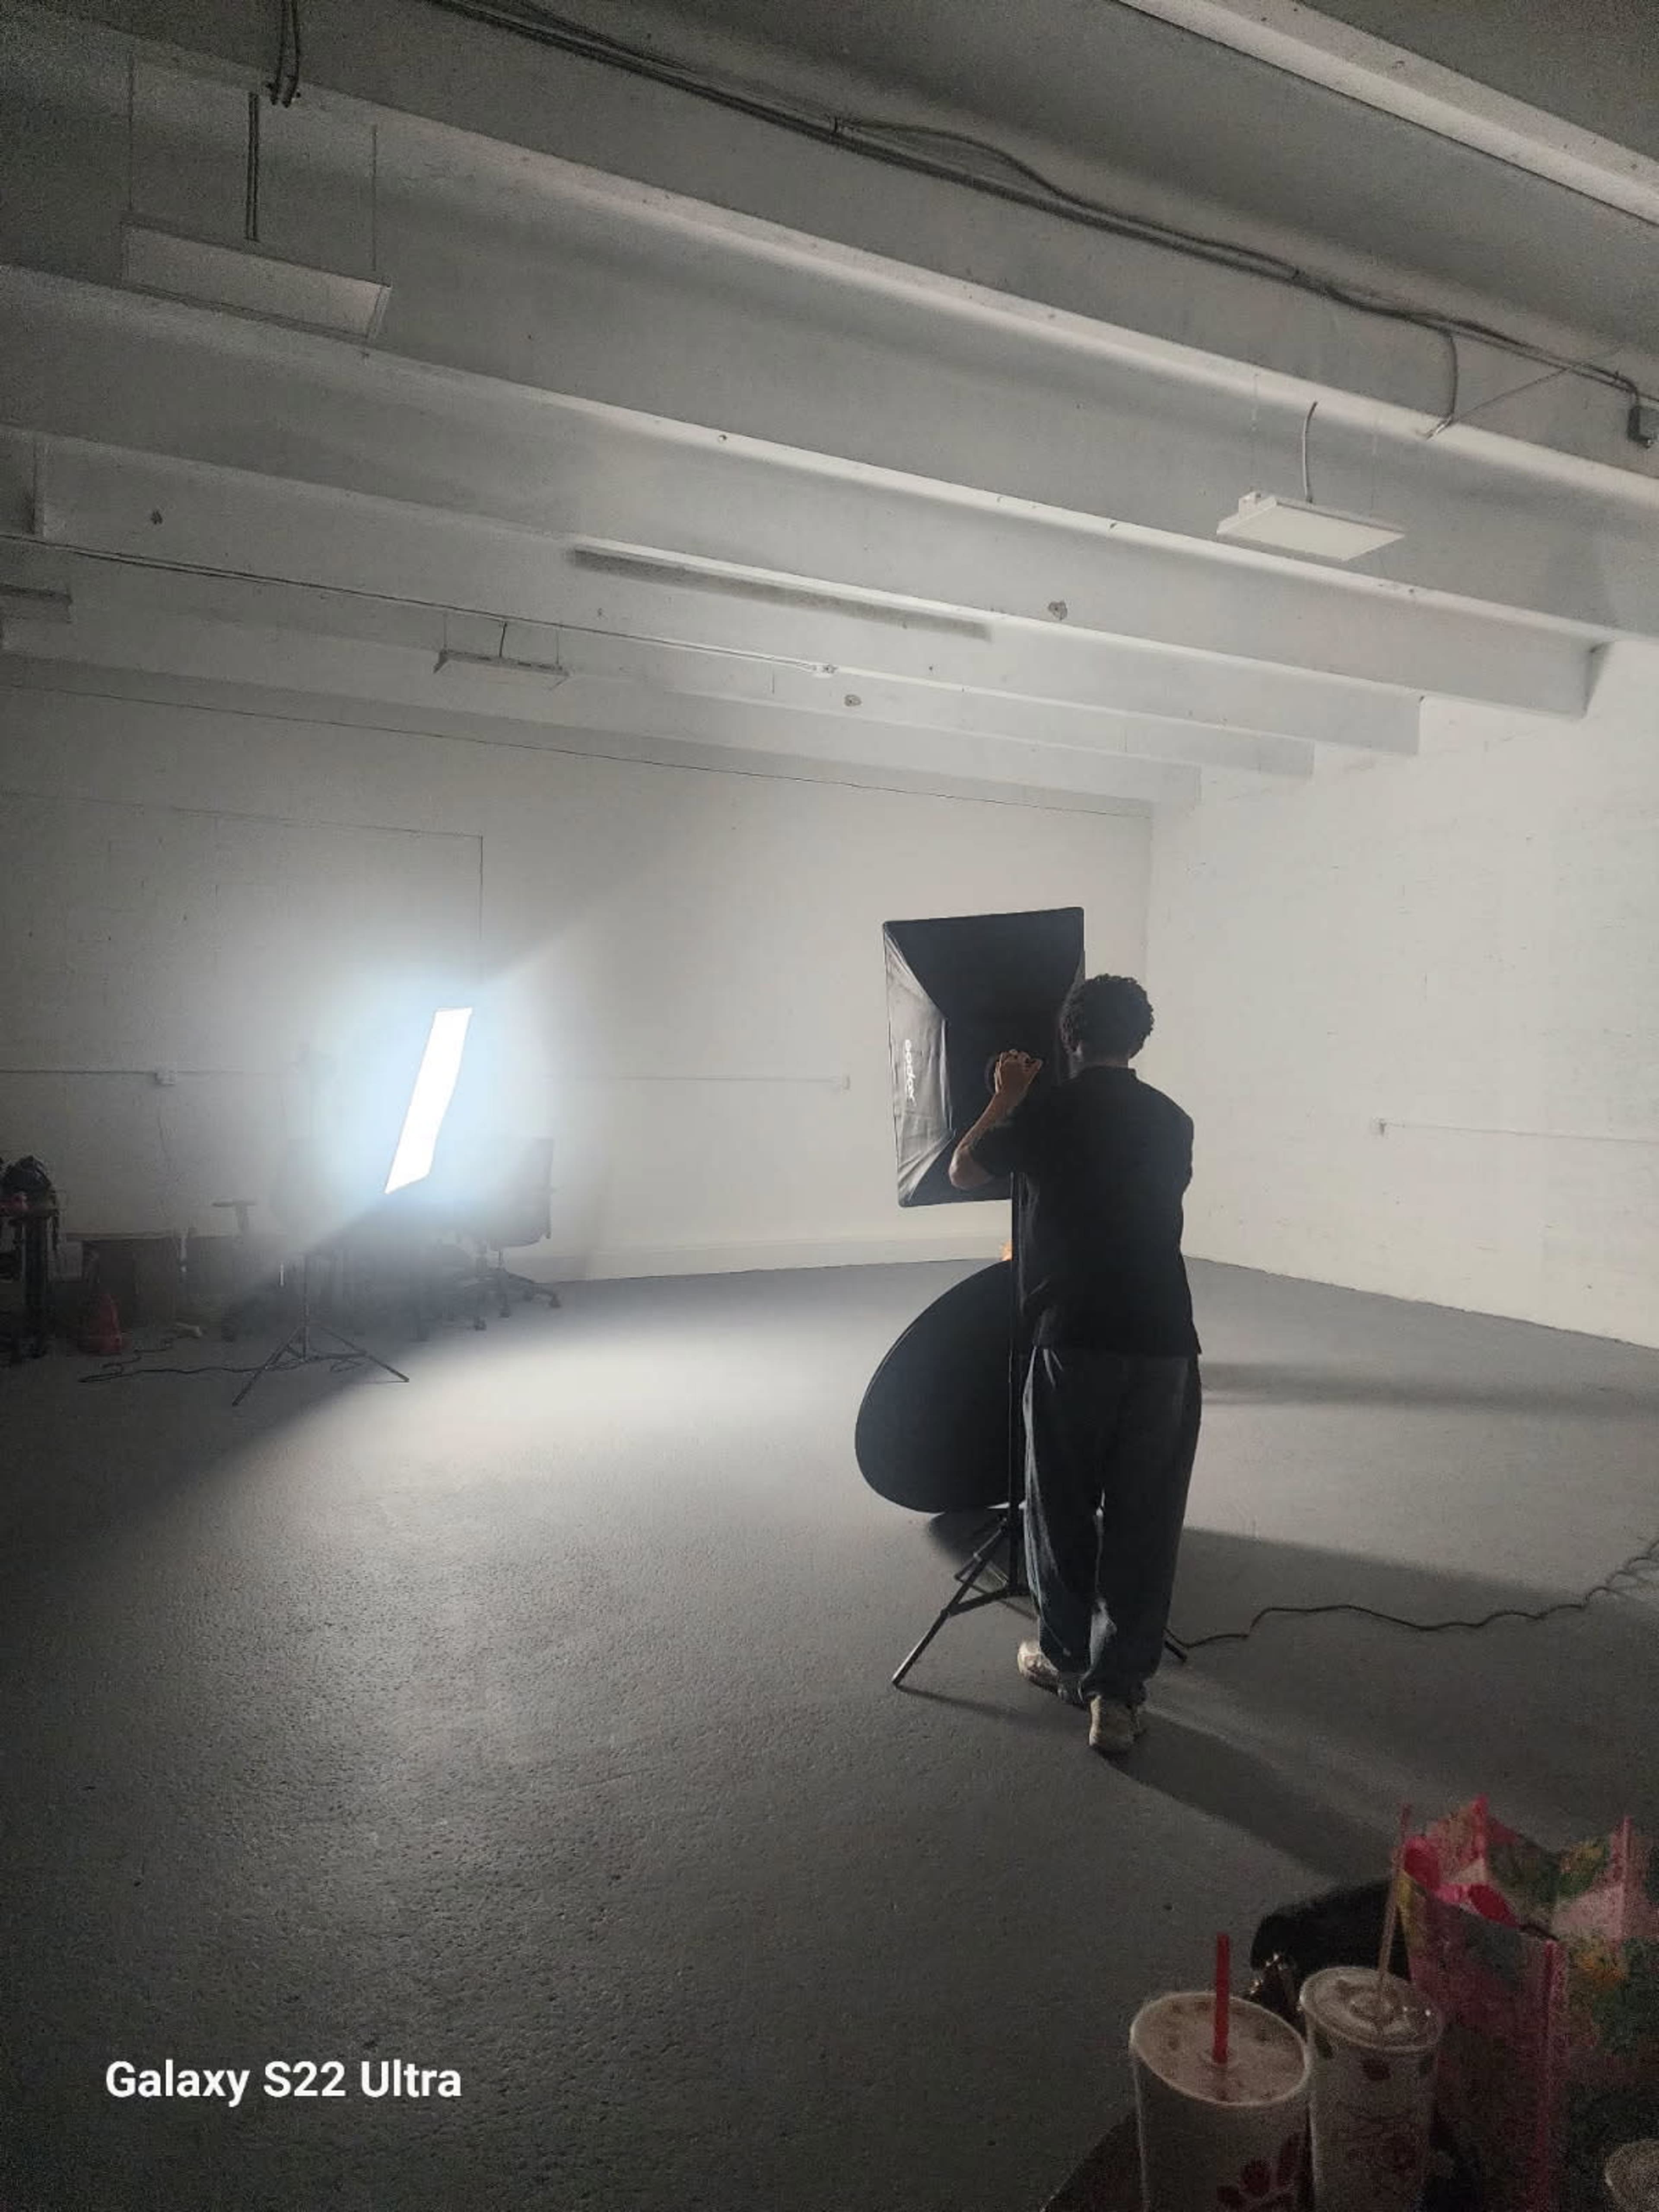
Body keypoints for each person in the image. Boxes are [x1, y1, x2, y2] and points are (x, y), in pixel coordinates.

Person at [947, 975, 1200, 1757]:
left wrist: (1006, 1097)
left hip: (1072, 1338)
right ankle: (1117, 1698)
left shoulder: (1045, 1114)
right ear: (1141, 1039)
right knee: (1145, 1520)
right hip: (1164, 1339)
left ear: (1070, 1038)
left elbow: (964, 1170)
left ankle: (1063, 1657)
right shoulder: (1174, 1121)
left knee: (1058, 1508)